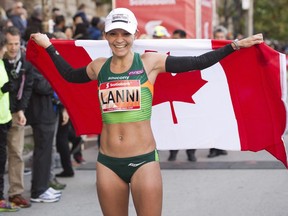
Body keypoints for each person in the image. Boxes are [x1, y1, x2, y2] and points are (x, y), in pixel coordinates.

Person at [30, 7, 263, 215]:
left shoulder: (149, 62)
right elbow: (70, 75)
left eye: (125, 34)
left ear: (136, 35)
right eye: (113, 33)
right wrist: (49, 47)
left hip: (143, 161)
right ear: (105, 36)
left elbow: (196, 62)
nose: (119, 39)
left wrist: (233, 46)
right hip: (108, 163)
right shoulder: (98, 66)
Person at [3, 26, 33, 208]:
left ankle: (15, 193)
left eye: (16, 44)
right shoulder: (1, 60)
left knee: (16, 153)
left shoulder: (25, 61)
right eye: (9, 44)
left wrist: (21, 109)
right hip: (1, 111)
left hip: (15, 113)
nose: (13, 48)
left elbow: (27, 88)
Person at [168, 29, 197, 162]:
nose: (173, 41)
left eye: (176, 38)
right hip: (172, 94)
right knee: (173, 126)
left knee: (190, 125)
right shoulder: (166, 54)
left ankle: (191, 152)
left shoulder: (191, 53)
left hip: (187, 96)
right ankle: (173, 152)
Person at [0, 31, 20, 213]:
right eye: (7, 45)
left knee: (3, 160)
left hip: (5, 118)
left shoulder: (2, 63)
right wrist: (4, 88)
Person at [207, 25, 230, 158]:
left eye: (222, 37)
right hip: (211, 90)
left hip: (224, 90)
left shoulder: (231, 50)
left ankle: (221, 146)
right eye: (218, 37)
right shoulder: (210, 50)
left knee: (223, 119)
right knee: (212, 119)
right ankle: (213, 148)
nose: (220, 39)